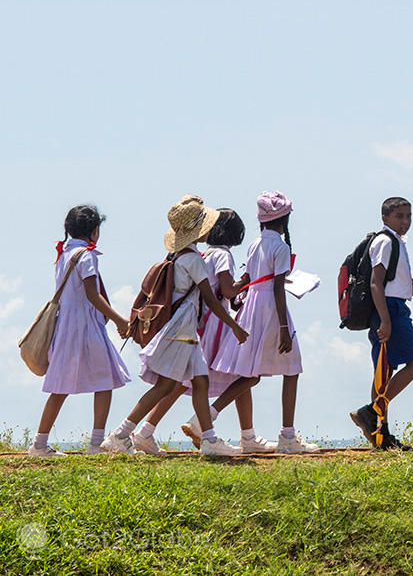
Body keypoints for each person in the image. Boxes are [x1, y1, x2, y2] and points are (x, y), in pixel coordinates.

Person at [103, 195, 248, 457]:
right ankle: (121, 434)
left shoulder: (177, 255)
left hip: (183, 331)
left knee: (200, 382)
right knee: (166, 386)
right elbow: (212, 301)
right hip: (181, 331)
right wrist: (233, 326)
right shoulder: (193, 260)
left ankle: (209, 439)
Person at [138, 209, 269, 455]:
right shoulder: (224, 255)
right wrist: (248, 280)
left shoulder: (204, 253)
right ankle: (211, 425)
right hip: (216, 326)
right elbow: (227, 292)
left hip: (200, 322)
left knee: (182, 381)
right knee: (247, 373)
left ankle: (147, 429)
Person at [205, 191, 317, 453]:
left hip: (252, 306)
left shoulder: (256, 243)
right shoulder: (280, 246)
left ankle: (213, 414)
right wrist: (284, 328)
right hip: (271, 310)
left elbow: (254, 277)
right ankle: (287, 436)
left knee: (250, 371)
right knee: (291, 369)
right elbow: (278, 289)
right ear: (284, 219)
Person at [349, 197, 413, 450]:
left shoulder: (396, 243)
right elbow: (376, 282)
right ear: (385, 218)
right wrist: (385, 319)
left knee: (383, 374)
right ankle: (371, 412)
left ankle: (380, 434)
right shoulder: (386, 242)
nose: (405, 221)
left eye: (408, 216)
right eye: (399, 216)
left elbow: (406, 283)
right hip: (389, 309)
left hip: (393, 307)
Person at [29, 205, 132, 457]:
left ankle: (39, 444)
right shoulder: (87, 255)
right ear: (95, 231)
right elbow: (92, 295)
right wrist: (120, 320)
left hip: (65, 327)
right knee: (105, 380)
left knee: (60, 386)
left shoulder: (64, 254)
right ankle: (95, 444)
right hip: (85, 327)